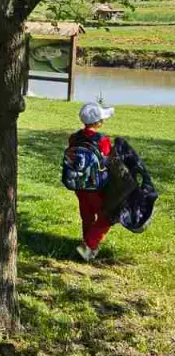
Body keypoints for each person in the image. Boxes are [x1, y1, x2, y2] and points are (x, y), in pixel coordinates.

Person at [70, 103, 115, 261]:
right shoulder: (102, 140)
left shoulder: (74, 137)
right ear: (98, 123)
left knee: (87, 215)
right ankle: (88, 246)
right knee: (107, 216)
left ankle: (90, 249)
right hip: (96, 186)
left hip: (78, 184)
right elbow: (108, 161)